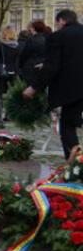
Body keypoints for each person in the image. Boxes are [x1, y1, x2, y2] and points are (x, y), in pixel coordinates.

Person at [24, 10, 83, 158]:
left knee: (68, 126)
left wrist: (34, 87)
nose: (56, 26)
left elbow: (53, 66)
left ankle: (74, 164)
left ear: (62, 20)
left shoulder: (58, 37)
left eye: (57, 23)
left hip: (72, 90)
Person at [17, 20, 50, 87]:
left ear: (34, 28)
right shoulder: (47, 39)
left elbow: (25, 54)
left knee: (29, 86)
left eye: (31, 27)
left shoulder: (31, 40)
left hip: (30, 66)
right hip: (42, 66)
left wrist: (20, 65)